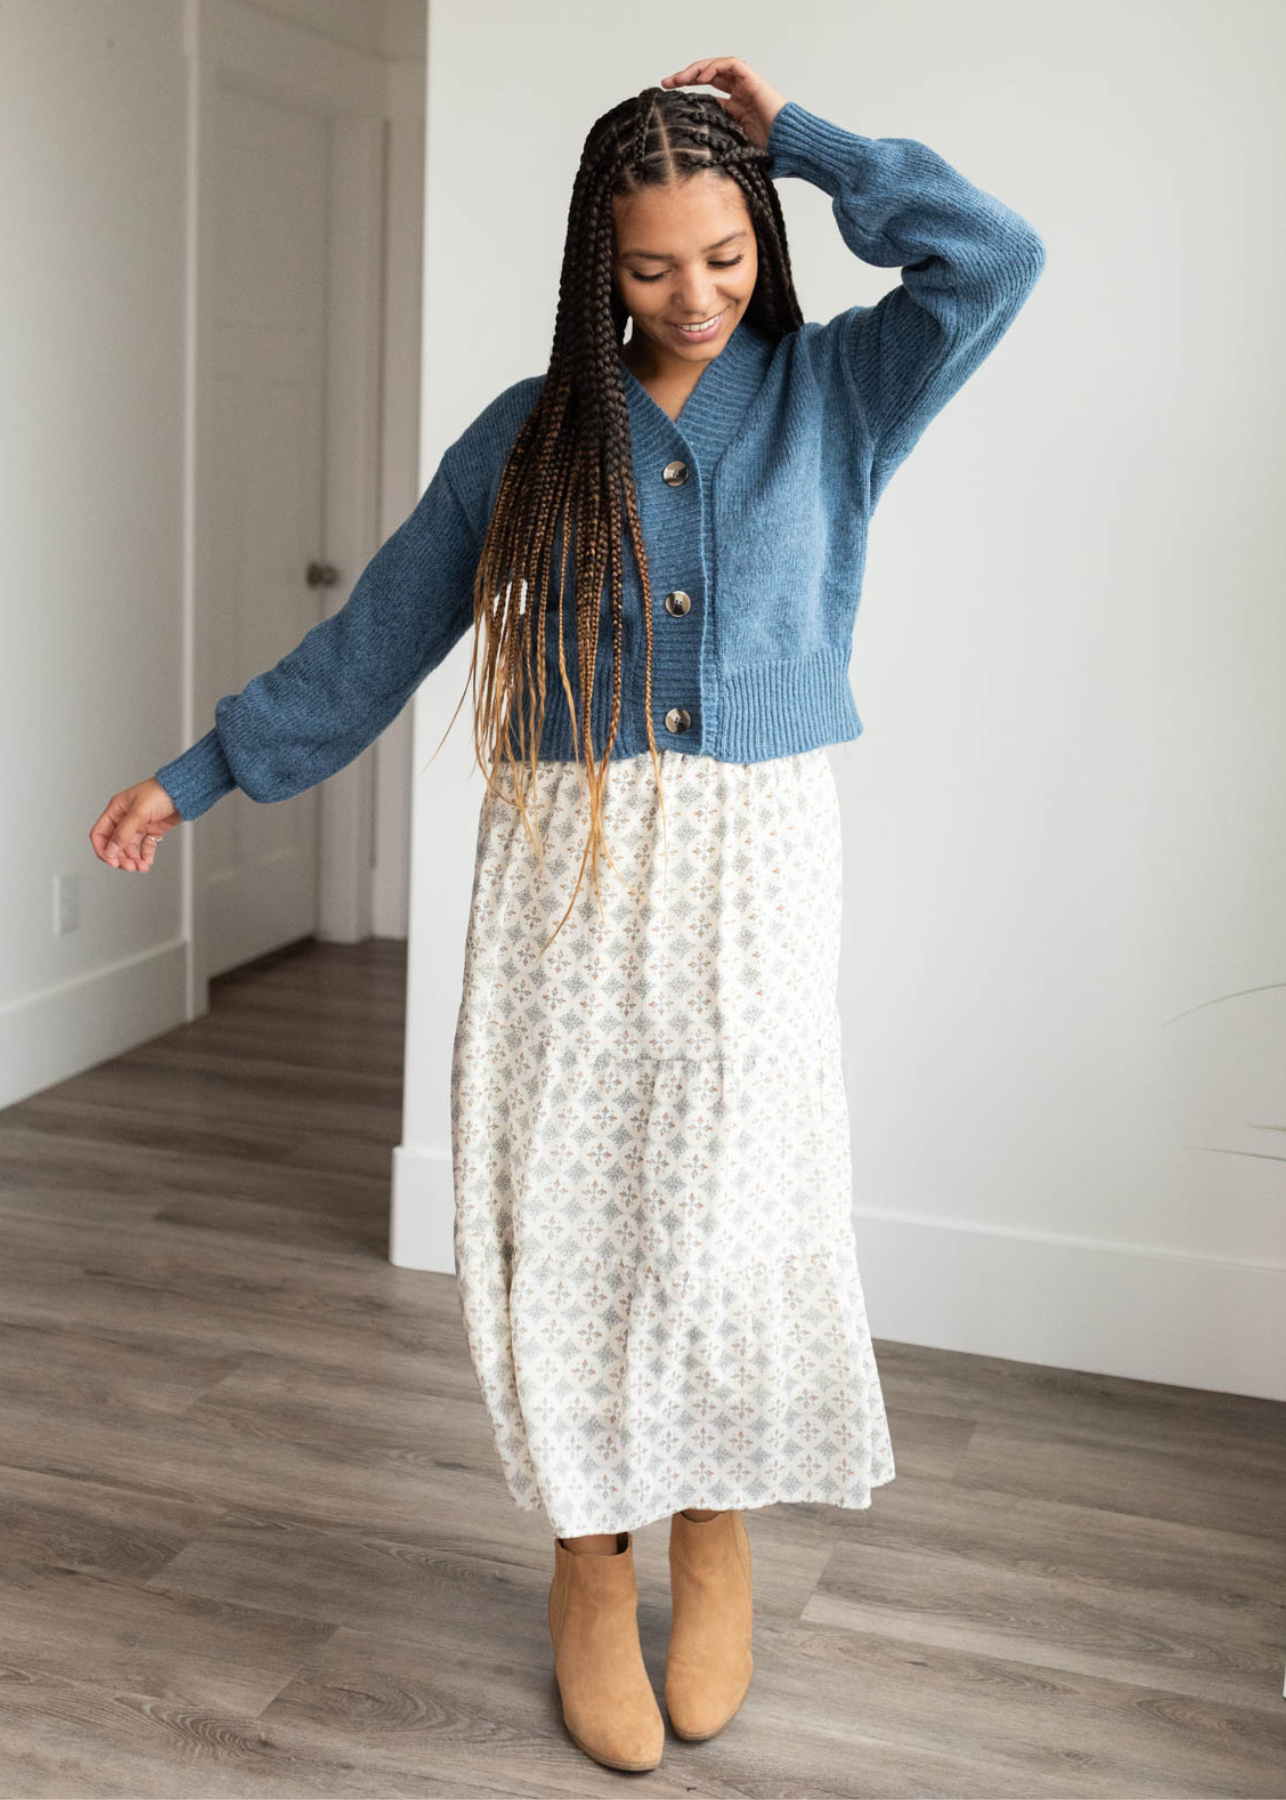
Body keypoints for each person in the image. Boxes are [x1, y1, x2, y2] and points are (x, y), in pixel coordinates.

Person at [89, 55, 1045, 1773]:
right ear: (593, 264)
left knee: (733, 1207)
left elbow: (993, 257)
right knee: (571, 1218)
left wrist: (807, 144)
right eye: (650, 266)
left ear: (762, 235)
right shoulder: (533, 437)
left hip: (754, 863)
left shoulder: (843, 391)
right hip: (570, 869)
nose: (693, 296)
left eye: (725, 255)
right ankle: (589, 1559)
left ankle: (713, 1521)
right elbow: (378, 635)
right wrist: (205, 771)